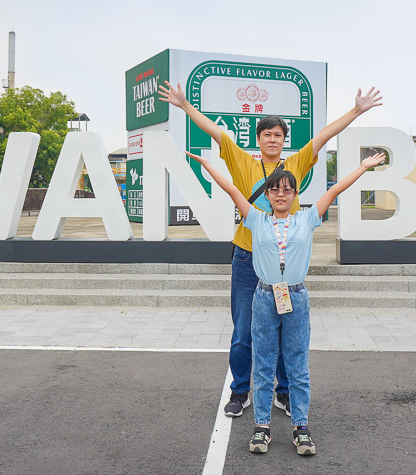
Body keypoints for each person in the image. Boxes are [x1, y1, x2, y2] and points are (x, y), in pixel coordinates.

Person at [158, 81, 382, 418]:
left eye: (278, 134)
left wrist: (356, 110)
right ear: (259, 139)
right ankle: (240, 391)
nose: (272, 139)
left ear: (283, 139)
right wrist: (186, 107)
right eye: (267, 135)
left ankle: (284, 392)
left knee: (285, 333)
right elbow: (218, 135)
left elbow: (322, 136)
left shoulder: (296, 163)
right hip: (248, 258)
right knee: (244, 330)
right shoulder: (243, 163)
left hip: (282, 265)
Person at [188, 148, 387, 456]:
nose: (281, 194)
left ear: (295, 194)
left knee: (297, 365)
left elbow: (335, 189)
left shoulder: (307, 219)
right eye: (275, 189)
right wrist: (208, 166)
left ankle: (301, 429)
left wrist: (362, 167)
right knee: (265, 364)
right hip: (265, 297)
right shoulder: (255, 219)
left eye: (287, 189)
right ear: (266, 194)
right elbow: (230, 189)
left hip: (296, 296)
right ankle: (262, 427)